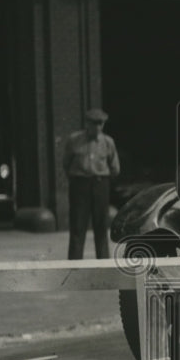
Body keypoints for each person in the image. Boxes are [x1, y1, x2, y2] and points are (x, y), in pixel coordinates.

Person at [64, 108, 120, 260]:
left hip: (100, 184)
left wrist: (104, 181)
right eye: (94, 123)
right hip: (80, 184)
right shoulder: (74, 140)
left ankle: (103, 263)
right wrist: (77, 179)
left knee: (101, 226)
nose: (98, 127)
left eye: (101, 124)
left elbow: (115, 167)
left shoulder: (108, 142)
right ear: (87, 123)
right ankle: (74, 265)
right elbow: (66, 163)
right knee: (77, 226)